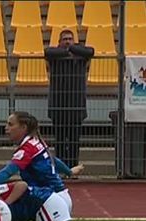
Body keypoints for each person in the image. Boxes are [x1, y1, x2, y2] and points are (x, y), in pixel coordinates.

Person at [45, 29, 94, 168]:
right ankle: (61, 169)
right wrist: (68, 51)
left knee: (74, 141)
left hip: (76, 106)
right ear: (59, 42)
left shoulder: (80, 53)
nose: (67, 41)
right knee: (59, 141)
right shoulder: (55, 53)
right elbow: (47, 52)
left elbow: (90, 51)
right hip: (58, 105)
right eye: (64, 39)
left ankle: (73, 168)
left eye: (70, 39)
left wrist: (72, 48)